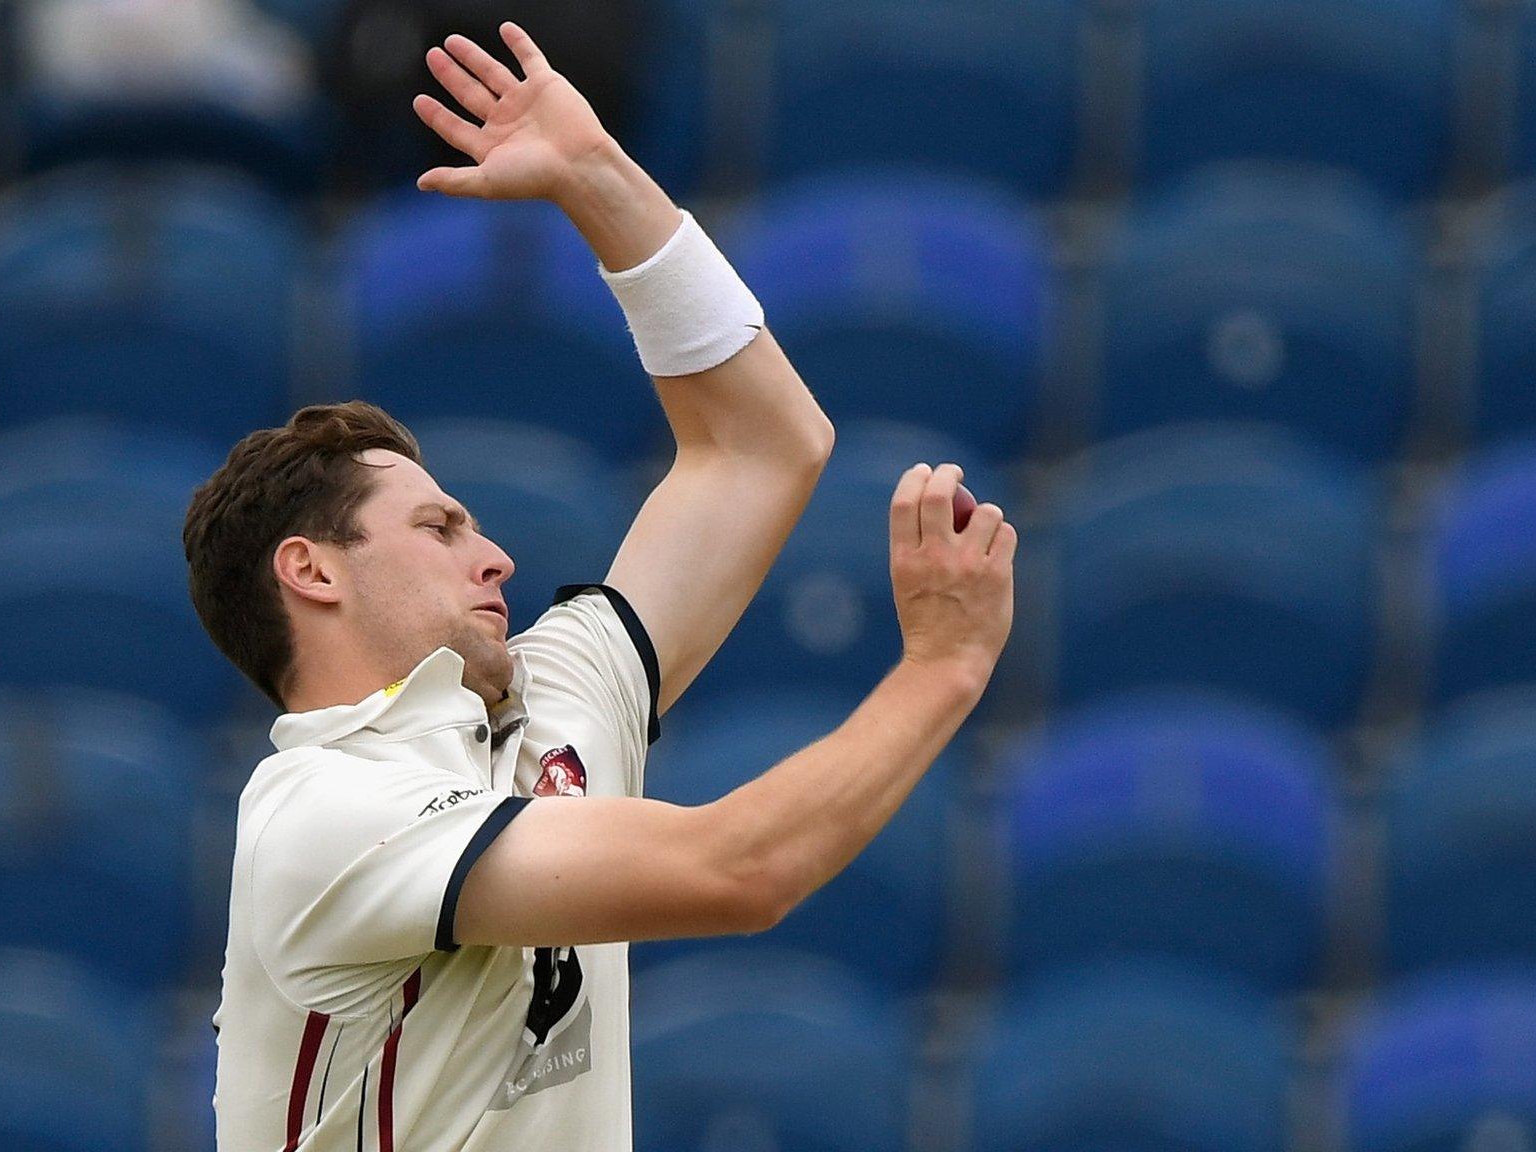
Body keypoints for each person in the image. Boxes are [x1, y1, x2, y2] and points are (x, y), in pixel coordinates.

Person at [183, 22, 1016, 1151]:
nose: (496, 557)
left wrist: (598, 181)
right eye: (437, 526)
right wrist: (939, 673)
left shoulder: (545, 693)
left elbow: (762, 448)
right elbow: (740, 871)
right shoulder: (323, 813)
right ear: (310, 570)